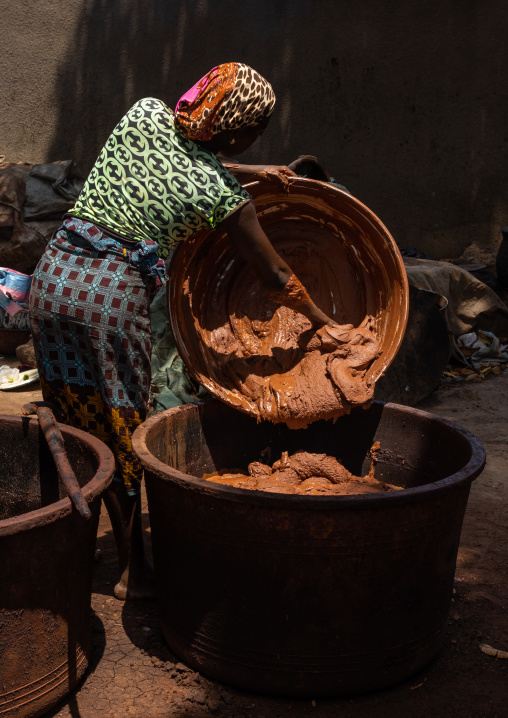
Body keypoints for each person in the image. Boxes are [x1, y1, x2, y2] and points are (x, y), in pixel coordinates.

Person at [29, 62, 337, 600]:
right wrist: (327, 325)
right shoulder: (223, 198)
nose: (252, 143)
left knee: (73, 415)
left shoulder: (144, 112)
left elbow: (179, 160)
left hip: (54, 278)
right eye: (255, 134)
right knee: (124, 428)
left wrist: (258, 171)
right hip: (108, 299)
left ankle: (65, 553)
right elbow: (276, 275)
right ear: (237, 131)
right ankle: (134, 573)